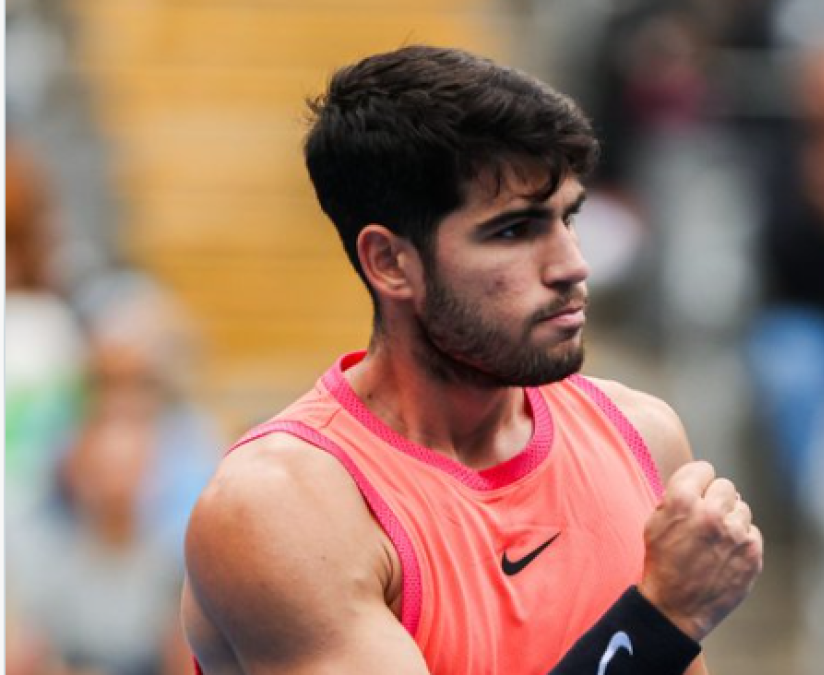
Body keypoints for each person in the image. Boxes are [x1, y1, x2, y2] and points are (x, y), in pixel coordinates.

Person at [181, 45, 764, 675]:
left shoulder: (643, 434)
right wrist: (660, 620)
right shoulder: (282, 510)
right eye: (515, 230)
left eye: (568, 218)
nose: (572, 264)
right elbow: (656, 639)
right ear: (390, 262)